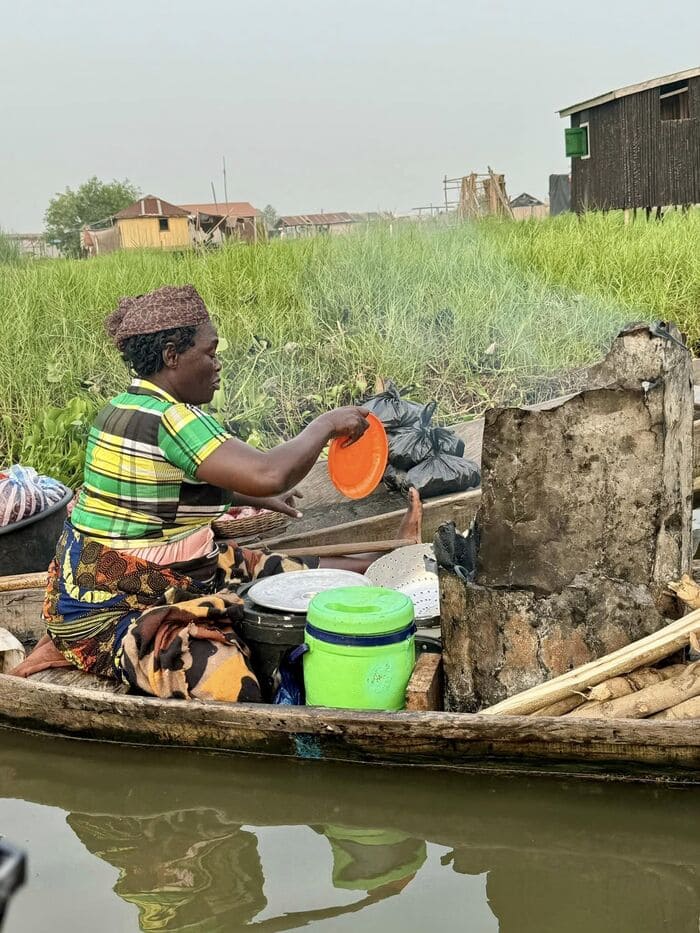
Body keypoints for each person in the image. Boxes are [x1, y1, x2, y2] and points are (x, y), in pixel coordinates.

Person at [14, 285, 422, 703]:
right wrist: (325, 425)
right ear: (172, 355)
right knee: (234, 681)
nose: (217, 364)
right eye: (209, 353)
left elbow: (154, 494)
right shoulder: (172, 418)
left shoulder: (123, 408)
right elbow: (270, 472)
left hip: (125, 578)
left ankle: (393, 560)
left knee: (297, 571)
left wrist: (249, 498)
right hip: (120, 605)